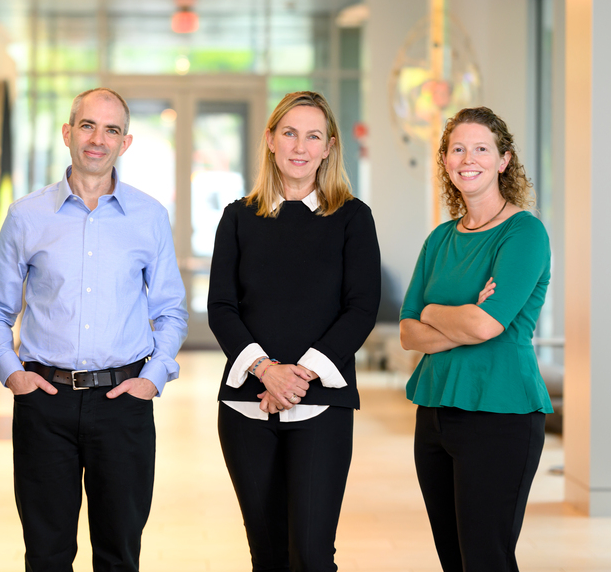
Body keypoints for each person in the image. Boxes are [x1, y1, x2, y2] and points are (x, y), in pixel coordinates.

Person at [0, 87, 189, 572]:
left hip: (124, 402)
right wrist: (14, 375)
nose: (99, 139)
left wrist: (152, 379)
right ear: (68, 133)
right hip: (44, 401)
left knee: (119, 554)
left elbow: (171, 312)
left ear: (126, 142)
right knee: (46, 554)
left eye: (111, 129)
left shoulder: (149, 217)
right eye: (89, 126)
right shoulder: (27, 215)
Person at [207, 91, 381, 572]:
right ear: (269, 140)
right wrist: (266, 371)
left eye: (313, 136)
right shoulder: (238, 217)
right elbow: (220, 307)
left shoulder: (352, 218)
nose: (299, 146)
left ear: (329, 147)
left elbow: (362, 307)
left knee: (311, 554)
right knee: (267, 554)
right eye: (289, 133)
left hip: (323, 403)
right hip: (246, 403)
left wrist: (297, 377)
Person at [399, 106, 552, 572]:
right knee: (454, 560)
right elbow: (408, 332)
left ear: (504, 160)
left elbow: (488, 327)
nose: (469, 158)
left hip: (501, 414)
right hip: (436, 414)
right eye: (458, 148)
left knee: (486, 560)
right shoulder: (440, 239)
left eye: (482, 148)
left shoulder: (524, 232)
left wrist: (435, 313)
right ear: (445, 161)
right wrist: (457, 315)